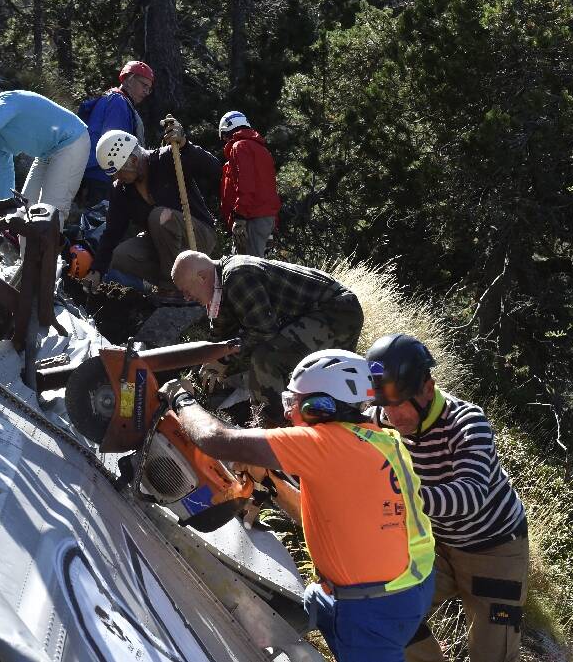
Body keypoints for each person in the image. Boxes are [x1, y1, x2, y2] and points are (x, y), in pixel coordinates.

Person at [159, 350, 435, 662]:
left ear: (320, 406)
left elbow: (215, 439)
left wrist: (180, 398)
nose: (288, 413)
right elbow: (324, 515)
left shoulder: (324, 442)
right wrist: (274, 484)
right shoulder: (381, 440)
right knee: (315, 600)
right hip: (412, 585)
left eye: (294, 403)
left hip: (373, 608)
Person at [364, 333, 529, 662]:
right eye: (385, 405)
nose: (394, 417)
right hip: (436, 544)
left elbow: (470, 496)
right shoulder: (380, 421)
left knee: (492, 654)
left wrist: (394, 499)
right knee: (384, 611)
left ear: (428, 387)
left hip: (495, 548)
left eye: (401, 403)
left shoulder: (468, 423)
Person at [171, 250, 364, 425]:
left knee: (266, 358)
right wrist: (210, 360)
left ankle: (273, 428)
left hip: (337, 312)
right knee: (324, 382)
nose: (186, 298)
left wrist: (224, 359)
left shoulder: (237, 277)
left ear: (202, 277)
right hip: (322, 311)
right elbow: (222, 334)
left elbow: (264, 331)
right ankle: (336, 421)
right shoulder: (219, 285)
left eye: (186, 291)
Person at [84, 119, 219, 295]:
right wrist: (97, 270)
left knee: (159, 217)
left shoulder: (168, 158)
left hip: (198, 236)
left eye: (119, 171)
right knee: (122, 255)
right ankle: (177, 283)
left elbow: (214, 169)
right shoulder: (122, 190)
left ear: (133, 160)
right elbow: (112, 233)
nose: (117, 177)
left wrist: (185, 145)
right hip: (164, 248)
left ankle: (171, 288)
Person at [0, 90, 89, 226]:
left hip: (71, 141)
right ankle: (25, 251)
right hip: (46, 154)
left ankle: (47, 250)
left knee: (50, 210)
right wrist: (3, 210)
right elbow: (4, 174)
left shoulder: (5, 101)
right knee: (24, 210)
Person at [78, 60, 154, 209]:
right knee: (99, 225)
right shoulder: (118, 102)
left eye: (149, 89)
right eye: (144, 85)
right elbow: (115, 144)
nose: (146, 92)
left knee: (91, 222)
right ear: (128, 80)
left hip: (93, 171)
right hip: (102, 174)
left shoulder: (112, 98)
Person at [218, 111, 281, 257]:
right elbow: (270, 189)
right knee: (261, 268)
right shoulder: (262, 150)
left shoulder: (239, 147)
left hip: (250, 218)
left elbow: (246, 183)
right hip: (265, 220)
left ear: (227, 131)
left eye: (224, 137)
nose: (225, 141)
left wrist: (239, 217)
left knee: (247, 272)